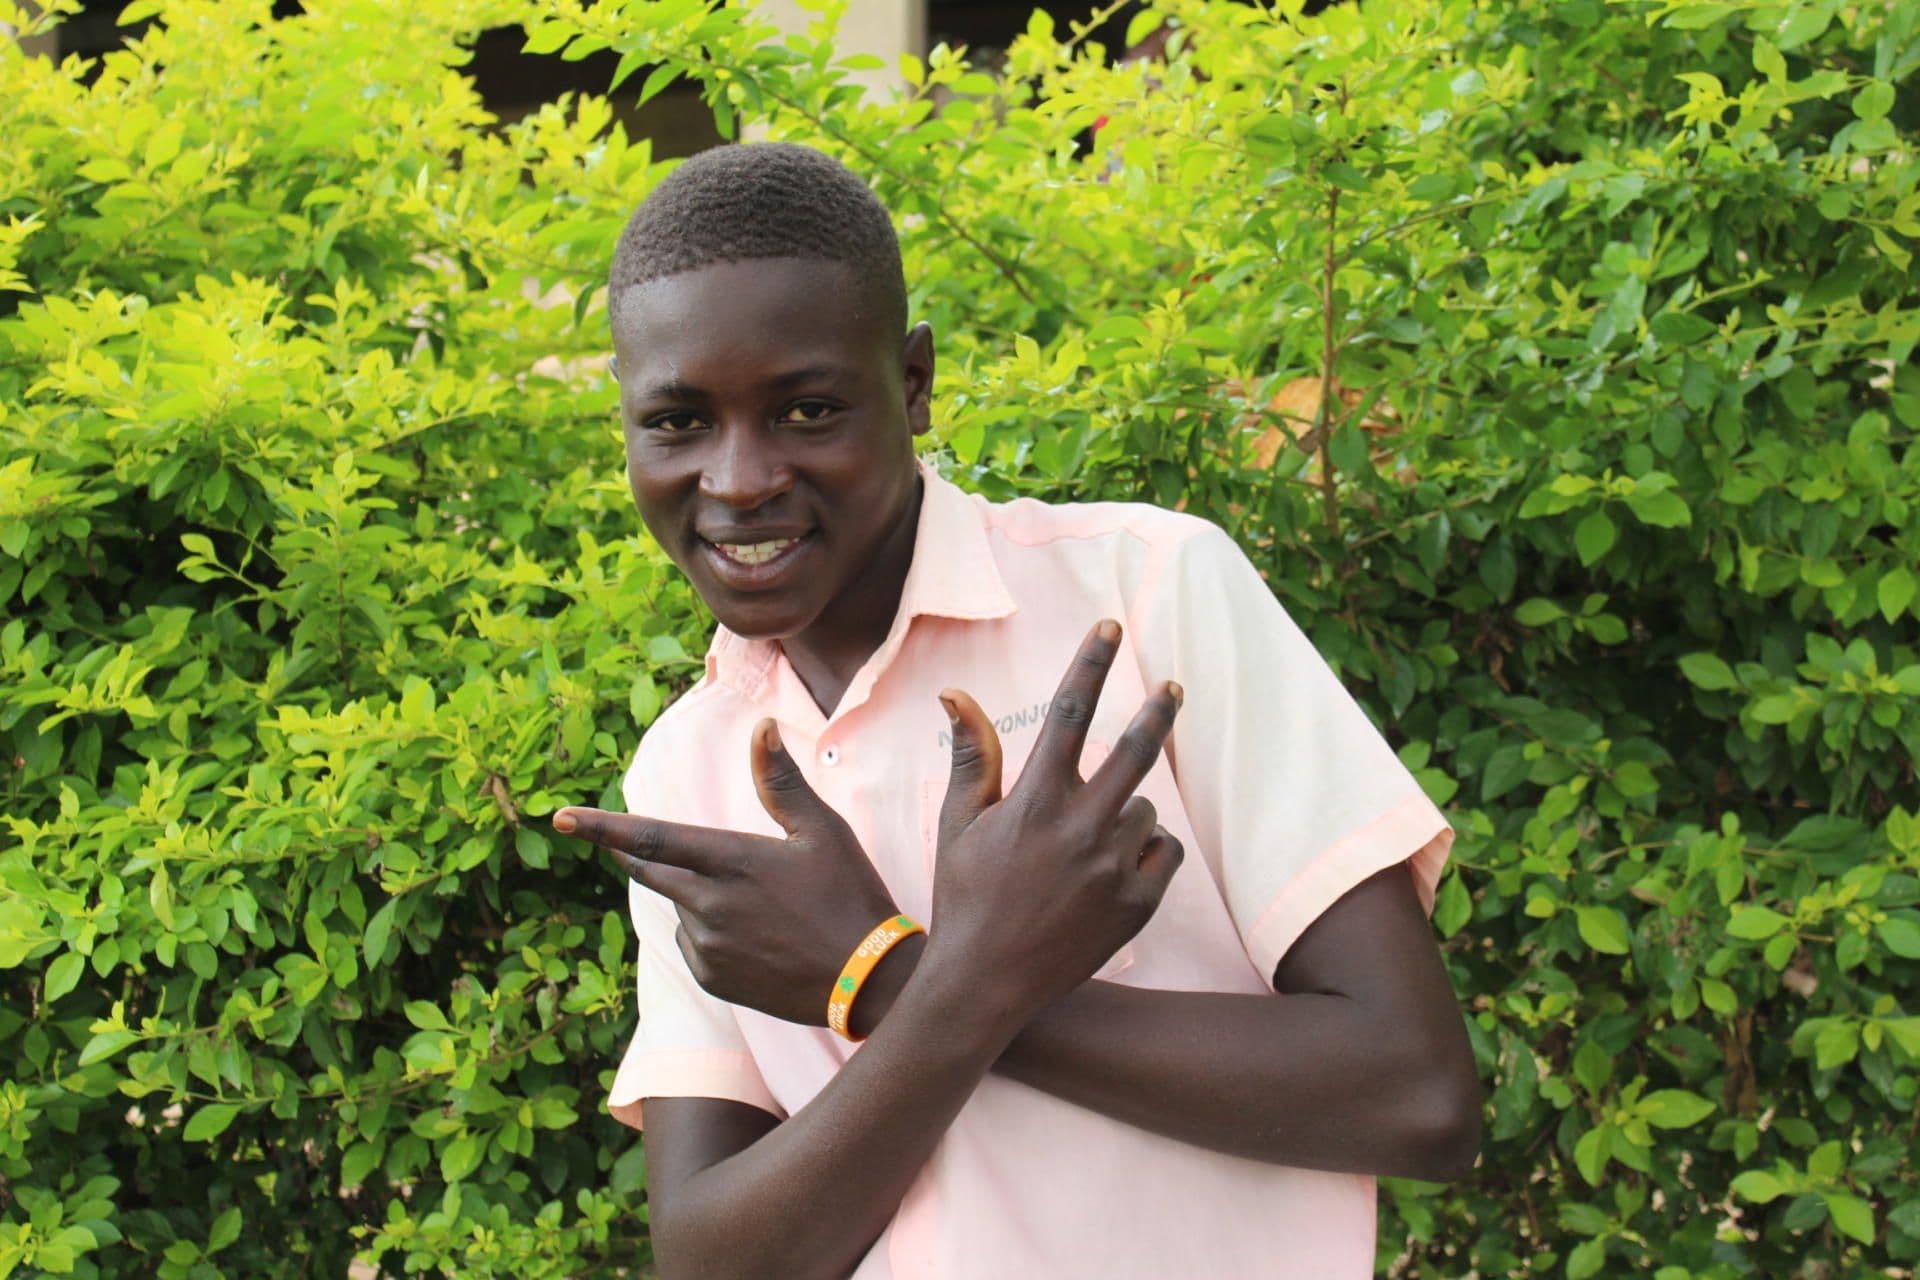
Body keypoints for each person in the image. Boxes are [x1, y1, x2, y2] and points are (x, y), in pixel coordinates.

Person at [552, 142, 1480, 1280]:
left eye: (806, 408)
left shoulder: (1143, 593)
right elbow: (713, 1260)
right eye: (678, 422)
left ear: (915, 384)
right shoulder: (688, 767)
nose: (738, 478)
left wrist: (882, 974)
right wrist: (950, 982)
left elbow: (1416, 1091)